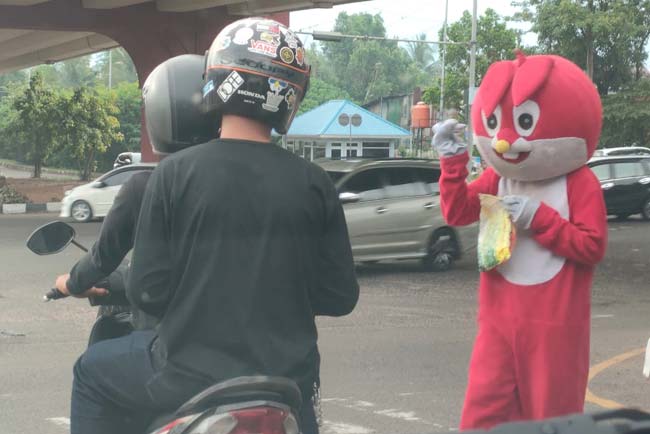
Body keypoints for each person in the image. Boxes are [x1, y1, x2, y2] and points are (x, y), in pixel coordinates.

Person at [70, 18, 359, 434]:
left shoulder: (172, 175)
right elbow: (340, 296)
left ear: (217, 80)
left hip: (185, 375)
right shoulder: (315, 183)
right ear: (291, 94)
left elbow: (148, 291)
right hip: (289, 382)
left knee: (91, 372)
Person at [432, 52, 607, 429]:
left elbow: (592, 246)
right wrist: (452, 163)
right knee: (482, 416)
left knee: (552, 419)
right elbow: (458, 211)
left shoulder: (579, 183)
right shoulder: (499, 179)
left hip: (555, 331)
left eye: (523, 122)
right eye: (494, 124)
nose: (503, 141)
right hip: (497, 322)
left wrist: (540, 219)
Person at [53, 55, 215, 334]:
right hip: (249, 344)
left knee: (88, 369)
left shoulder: (144, 187)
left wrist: (70, 283)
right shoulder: (252, 184)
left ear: (159, 114)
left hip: (170, 348)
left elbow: (102, 258)